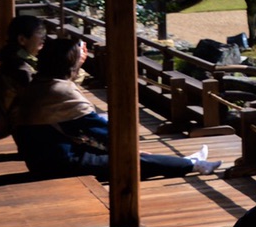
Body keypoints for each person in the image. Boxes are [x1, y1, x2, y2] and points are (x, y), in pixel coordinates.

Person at [12, 35, 223, 178]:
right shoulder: (59, 90)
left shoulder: (41, 83)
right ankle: (192, 164)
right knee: (128, 160)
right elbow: (98, 129)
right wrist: (131, 147)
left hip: (44, 156)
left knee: (126, 154)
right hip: (57, 163)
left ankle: (186, 161)